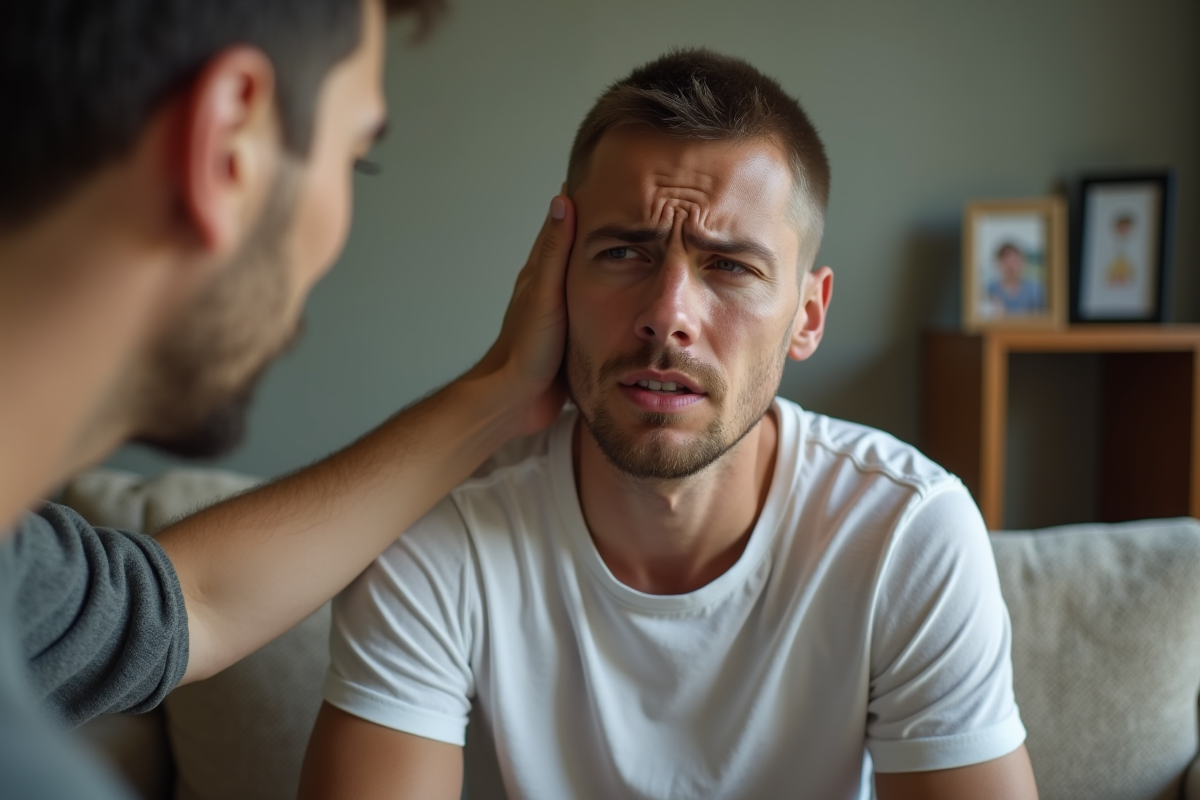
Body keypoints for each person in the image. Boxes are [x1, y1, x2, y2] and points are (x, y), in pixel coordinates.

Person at [300, 49, 1040, 800]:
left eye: (729, 267)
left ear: (807, 316)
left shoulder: (904, 533)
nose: (667, 317)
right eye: (624, 252)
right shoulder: (436, 523)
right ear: (553, 278)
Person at [0, 1, 578, 798]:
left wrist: (501, 394)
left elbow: (188, 602)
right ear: (227, 145)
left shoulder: (17, 574)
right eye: (354, 159)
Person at [985, 242, 1045, 316]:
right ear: (998, 263)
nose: (1011, 265)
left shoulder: (1034, 289)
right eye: (1005, 260)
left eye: (1014, 260)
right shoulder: (991, 289)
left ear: (1022, 262)